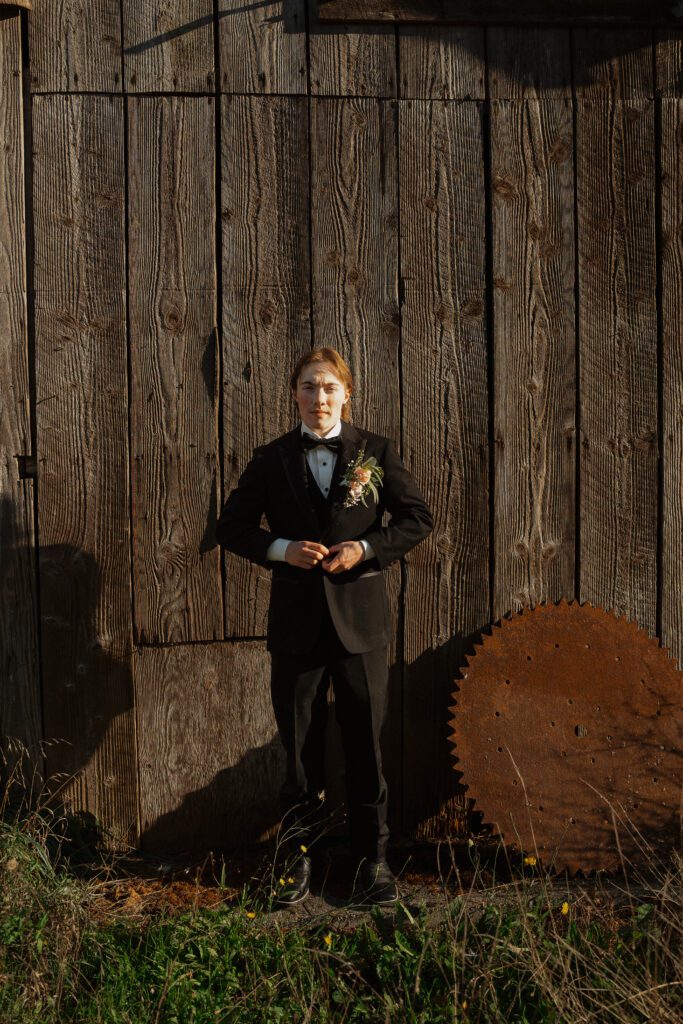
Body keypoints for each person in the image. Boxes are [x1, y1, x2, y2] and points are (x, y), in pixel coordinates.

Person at [215, 347, 433, 904]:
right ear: (294, 393)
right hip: (295, 630)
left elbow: (415, 520)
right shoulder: (271, 458)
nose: (319, 398)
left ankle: (372, 862)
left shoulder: (375, 452)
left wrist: (364, 548)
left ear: (347, 394)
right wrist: (282, 550)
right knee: (299, 751)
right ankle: (298, 858)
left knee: (366, 747)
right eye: (310, 387)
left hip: (361, 626)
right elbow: (233, 527)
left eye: (330, 387)